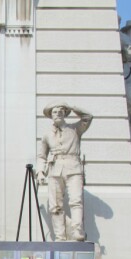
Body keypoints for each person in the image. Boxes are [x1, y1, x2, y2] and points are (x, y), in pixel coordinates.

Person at [37, 101, 93, 241]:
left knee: (76, 200)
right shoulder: (47, 135)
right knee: (55, 205)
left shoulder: (75, 129)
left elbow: (88, 117)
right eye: (54, 112)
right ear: (51, 115)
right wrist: (40, 172)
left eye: (60, 112)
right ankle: (60, 236)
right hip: (54, 169)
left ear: (65, 114)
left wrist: (72, 107)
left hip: (73, 168)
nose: (57, 114)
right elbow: (42, 156)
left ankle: (77, 231)